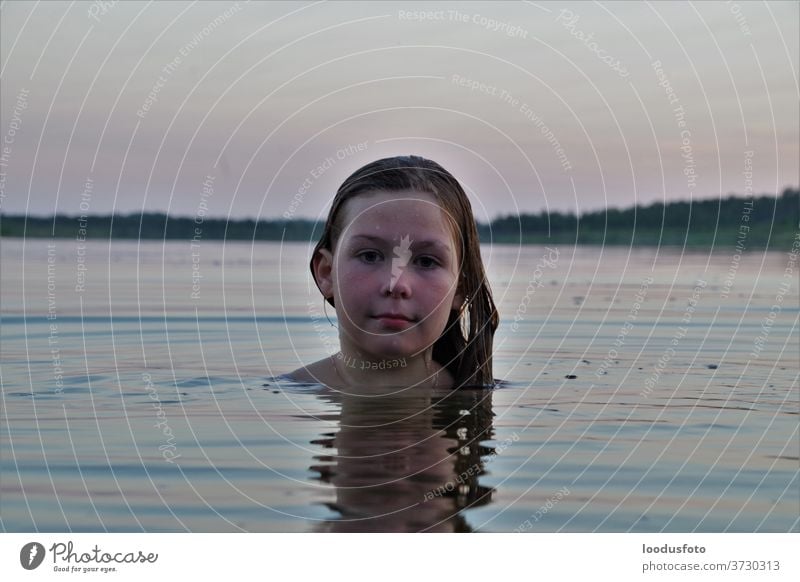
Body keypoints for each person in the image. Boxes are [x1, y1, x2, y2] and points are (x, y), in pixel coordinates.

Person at [288, 155, 498, 390]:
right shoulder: (282, 400)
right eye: (370, 256)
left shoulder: (474, 396)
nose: (396, 284)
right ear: (327, 273)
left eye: (426, 261)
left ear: (461, 287)